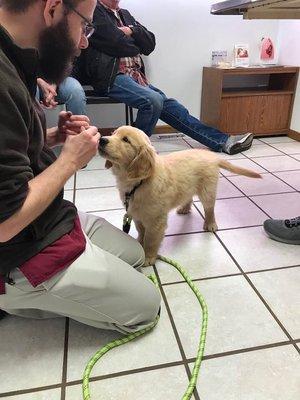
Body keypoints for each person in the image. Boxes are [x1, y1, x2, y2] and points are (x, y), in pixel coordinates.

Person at [0, 0, 160, 333]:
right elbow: (4, 223)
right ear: (53, 9)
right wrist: (70, 160)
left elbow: (10, 147)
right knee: (146, 307)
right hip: (19, 249)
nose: (85, 42)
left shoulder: (15, 58)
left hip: (49, 218)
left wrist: (53, 137)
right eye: (85, 26)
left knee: (133, 254)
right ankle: (20, 297)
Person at [73, 0, 254, 155]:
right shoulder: (95, 10)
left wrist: (130, 30)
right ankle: (136, 152)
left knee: (175, 108)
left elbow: (149, 43)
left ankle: (223, 142)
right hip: (111, 77)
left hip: (135, 77)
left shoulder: (125, 14)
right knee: (153, 100)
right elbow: (115, 42)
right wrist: (135, 39)